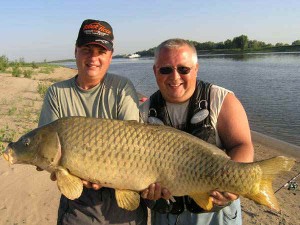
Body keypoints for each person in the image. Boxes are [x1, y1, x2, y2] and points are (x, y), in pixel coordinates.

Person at [38, 19, 147, 225]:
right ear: (76, 51)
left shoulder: (122, 87)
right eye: (87, 49)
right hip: (78, 203)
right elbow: (47, 153)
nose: (93, 58)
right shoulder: (56, 93)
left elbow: (133, 146)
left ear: (110, 56)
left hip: (122, 192)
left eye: (101, 51)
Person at [139, 38, 254, 225]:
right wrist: (147, 192)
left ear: (196, 69)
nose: (175, 77)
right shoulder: (144, 111)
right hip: (167, 215)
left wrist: (232, 185)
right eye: (165, 69)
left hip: (215, 215)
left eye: (183, 69)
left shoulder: (221, 99)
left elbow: (242, 144)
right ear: (155, 71)